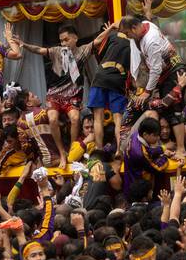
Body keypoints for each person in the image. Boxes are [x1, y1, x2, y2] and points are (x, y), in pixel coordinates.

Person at [18, 23, 117, 167]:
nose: (63, 43)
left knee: (76, 118)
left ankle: (71, 150)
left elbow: (97, 40)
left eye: (66, 39)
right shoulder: (57, 51)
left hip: (73, 96)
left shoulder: (83, 51)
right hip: (55, 95)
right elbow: (39, 50)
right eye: (61, 40)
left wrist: (109, 29)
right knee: (52, 118)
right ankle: (62, 154)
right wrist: (23, 44)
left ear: (75, 38)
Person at [119, 15, 186, 160]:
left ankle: (181, 148)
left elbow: (155, 70)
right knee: (162, 111)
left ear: (134, 28)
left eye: (127, 34)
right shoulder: (144, 25)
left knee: (175, 110)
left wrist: (148, 91)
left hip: (172, 71)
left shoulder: (150, 40)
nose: (127, 37)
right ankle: (164, 148)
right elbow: (162, 103)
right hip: (129, 144)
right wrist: (178, 87)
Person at [88, 27, 131, 156]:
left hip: (100, 76)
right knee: (118, 119)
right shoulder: (134, 44)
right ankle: (119, 150)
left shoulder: (112, 37)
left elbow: (98, 50)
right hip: (118, 78)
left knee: (98, 118)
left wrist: (109, 29)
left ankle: (99, 149)